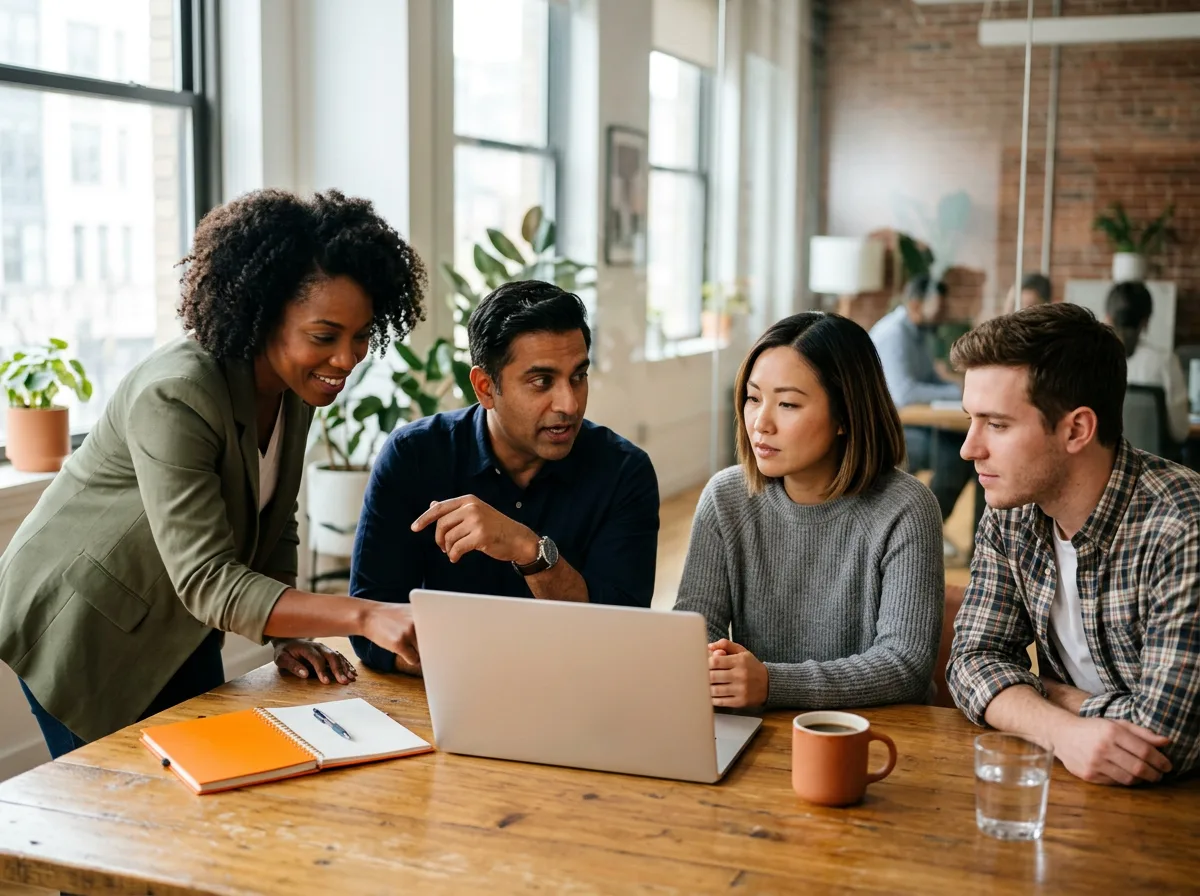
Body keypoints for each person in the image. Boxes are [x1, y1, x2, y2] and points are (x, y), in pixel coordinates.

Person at [0, 188, 430, 756]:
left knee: (207, 788)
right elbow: (206, 579)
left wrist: (289, 635)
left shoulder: (293, 390)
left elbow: (276, 523)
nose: (347, 360)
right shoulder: (175, 393)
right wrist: (365, 615)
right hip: (83, 621)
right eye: (325, 337)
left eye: (360, 336)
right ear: (262, 314)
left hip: (178, 620)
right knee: (122, 816)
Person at [349, 280, 660, 676]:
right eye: (542, 381)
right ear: (485, 387)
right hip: (443, 699)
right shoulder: (413, 456)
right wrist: (496, 671)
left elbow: (622, 634)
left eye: (578, 376)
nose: (569, 403)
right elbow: (373, 624)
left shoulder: (624, 472)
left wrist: (528, 550)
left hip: (576, 702)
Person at [947, 302, 1200, 784]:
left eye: (996, 424)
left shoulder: (1181, 527)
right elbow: (970, 663)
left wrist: (1042, 691)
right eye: (971, 419)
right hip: (1070, 784)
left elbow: (1170, 736)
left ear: (1077, 430)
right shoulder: (1011, 513)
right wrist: (1062, 731)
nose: (969, 448)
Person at [673, 312, 943, 710]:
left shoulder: (905, 508)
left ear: (845, 416)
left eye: (787, 404)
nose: (761, 423)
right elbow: (694, 635)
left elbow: (904, 666)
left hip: (874, 736)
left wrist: (771, 683)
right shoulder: (726, 498)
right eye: (752, 398)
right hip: (757, 732)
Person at [870, 275, 974, 527]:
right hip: (886, 430)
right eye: (937, 307)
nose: (942, 314)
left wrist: (963, 388)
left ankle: (959, 538)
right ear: (916, 305)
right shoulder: (893, 335)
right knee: (955, 455)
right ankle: (921, 529)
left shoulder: (919, 333)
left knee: (967, 449)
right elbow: (904, 394)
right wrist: (956, 394)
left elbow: (929, 378)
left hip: (914, 424)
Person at [1105, 280, 1189, 444]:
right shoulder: (1165, 362)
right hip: (1153, 466)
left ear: (1109, 317)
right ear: (1145, 322)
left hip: (1106, 465)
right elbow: (1181, 431)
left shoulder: (1092, 359)